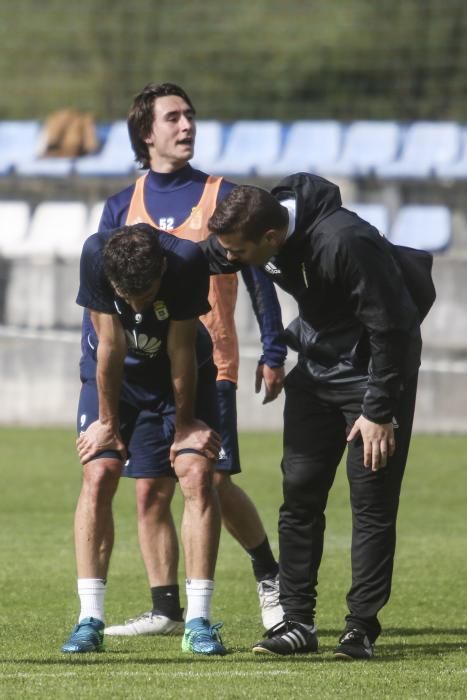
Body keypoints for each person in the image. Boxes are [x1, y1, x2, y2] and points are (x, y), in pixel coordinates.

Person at [203, 173, 432, 660]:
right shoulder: (257, 227)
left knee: (371, 502)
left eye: (239, 252)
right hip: (317, 368)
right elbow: (205, 254)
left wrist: (378, 409)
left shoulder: (345, 241)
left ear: (270, 239)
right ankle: (297, 623)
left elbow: (396, 328)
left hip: (373, 376)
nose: (231, 259)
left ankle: (360, 628)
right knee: (300, 495)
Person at [97, 82, 287, 637]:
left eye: (190, 116)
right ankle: (164, 608)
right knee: (149, 486)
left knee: (210, 480)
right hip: (143, 369)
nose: (187, 127)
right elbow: (103, 288)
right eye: (173, 118)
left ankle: (268, 574)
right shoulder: (120, 206)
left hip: (211, 362)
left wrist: (272, 348)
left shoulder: (223, 196)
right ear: (146, 132)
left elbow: (258, 273)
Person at [62, 223, 227, 656]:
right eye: (127, 296)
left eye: (147, 293)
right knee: (99, 472)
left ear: (163, 268)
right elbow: (110, 348)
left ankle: (198, 621)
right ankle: (89, 620)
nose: (137, 306)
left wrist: (187, 422)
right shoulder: (96, 254)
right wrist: (108, 424)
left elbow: (181, 349)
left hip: (181, 373)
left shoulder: (187, 260)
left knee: (195, 473)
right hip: (118, 379)